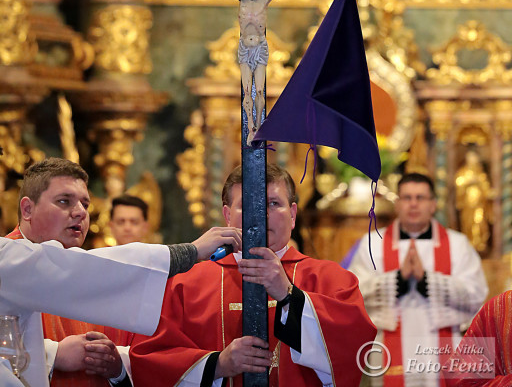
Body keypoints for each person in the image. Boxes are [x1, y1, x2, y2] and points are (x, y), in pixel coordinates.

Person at [129, 163, 376, 387]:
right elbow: (149, 360)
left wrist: (288, 295)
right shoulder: (184, 284)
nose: (261, 214)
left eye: (273, 203)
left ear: (292, 215)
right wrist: (218, 364)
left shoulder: (331, 280)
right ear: (227, 216)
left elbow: (355, 349)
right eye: (247, 204)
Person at [3, 157, 241, 387]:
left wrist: (116, 366)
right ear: (27, 209)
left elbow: (144, 355)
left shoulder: (102, 273)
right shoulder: (8, 261)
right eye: (64, 201)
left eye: (85, 204)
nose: (80, 213)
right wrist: (53, 354)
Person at [158, 0, 341, 141]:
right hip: (245, 47)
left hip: (260, 47)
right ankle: (251, 128)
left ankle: (260, 128)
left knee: (259, 91)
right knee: (247, 92)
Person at [349, 172, 488, 386]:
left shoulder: (458, 244)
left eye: (420, 198)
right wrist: (398, 280)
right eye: (407, 198)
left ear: (433, 204)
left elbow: (476, 294)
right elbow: (354, 294)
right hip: (387, 349)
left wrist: (426, 281)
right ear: (397, 203)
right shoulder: (372, 243)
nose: (413, 204)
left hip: (444, 350)